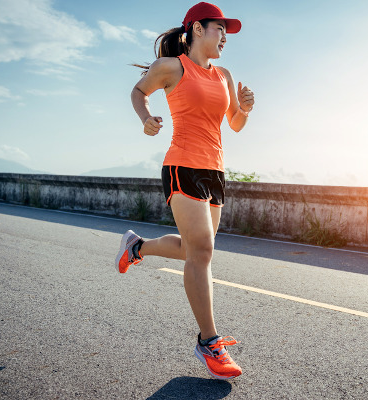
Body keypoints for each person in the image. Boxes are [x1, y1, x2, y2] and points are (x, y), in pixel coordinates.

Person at [114, 2, 254, 380]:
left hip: (215, 171)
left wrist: (243, 109)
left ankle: (137, 247)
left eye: (227, 31)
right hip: (182, 166)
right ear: (195, 29)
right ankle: (209, 342)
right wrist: (146, 118)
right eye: (218, 28)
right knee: (204, 251)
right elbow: (138, 92)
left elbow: (234, 126)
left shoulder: (224, 75)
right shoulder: (172, 67)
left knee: (195, 250)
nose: (224, 36)